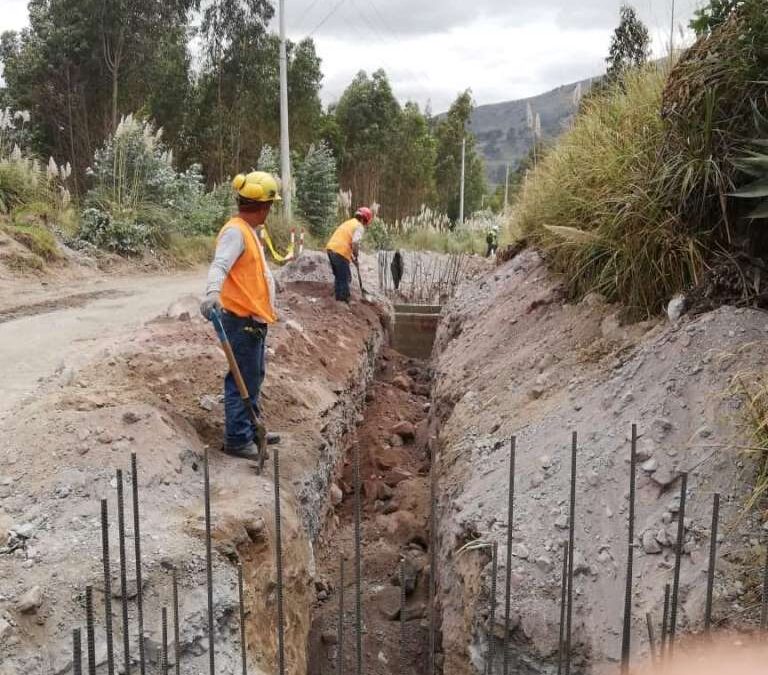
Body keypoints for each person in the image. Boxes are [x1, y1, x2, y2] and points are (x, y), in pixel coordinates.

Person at [200, 171, 280, 460]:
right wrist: (212, 294)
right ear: (263, 206)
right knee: (241, 379)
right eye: (270, 206)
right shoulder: (236, 231)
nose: (270, 211)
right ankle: (237, 439)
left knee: (253, 375)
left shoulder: (249, 231)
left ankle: (251, 427)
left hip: (254, 319)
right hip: (239, 319)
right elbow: (219, 266)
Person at [326, 206, 373, 302]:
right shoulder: (359, 226)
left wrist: (352, 258)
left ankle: (337, 300)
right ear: (365, 220)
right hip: (340, 253)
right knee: (345, 277)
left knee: (340, 276)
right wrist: (356, 254)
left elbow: (345, 241)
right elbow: (355, 243)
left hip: (331, 250)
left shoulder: (349, 223)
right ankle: (343, 300)